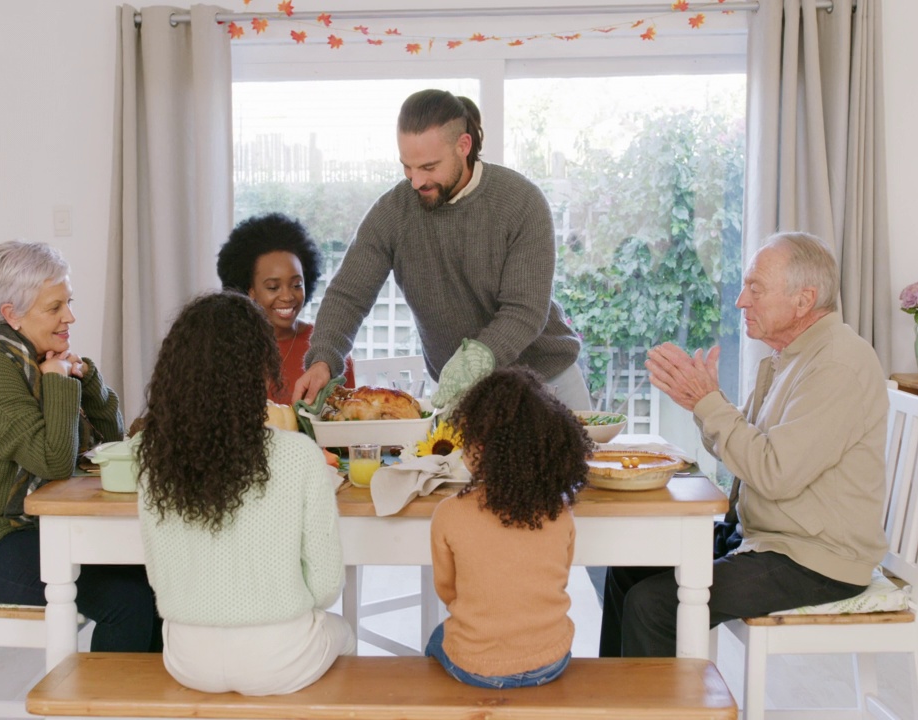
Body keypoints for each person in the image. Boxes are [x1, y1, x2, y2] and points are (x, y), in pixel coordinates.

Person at [599, 232, 888, 657]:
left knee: (654, 604)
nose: (741, 301)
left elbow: (774, 474)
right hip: (762, 537)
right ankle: (615, 707)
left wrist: (708, 402)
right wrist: (701, 403)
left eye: (756, 288)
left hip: (814, 560)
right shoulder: (790, 356)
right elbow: (749, 453)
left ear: (803, 300)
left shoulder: (836, 364)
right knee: (629, 567)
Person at [0, 240, 161, 652]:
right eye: (55, 308)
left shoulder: (29, 361)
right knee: (128, 600)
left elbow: (112, 439)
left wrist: (85, 378)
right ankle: (105, 710)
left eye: (68, 302)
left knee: (152, 578)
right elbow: (54, 461)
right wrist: (58, 382)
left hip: (19, 530)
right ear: (11, 315)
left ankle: (149, 706)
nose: (70, 317)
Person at [292, 88, 590, 411]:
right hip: (464, 398)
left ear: (463, 146)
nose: (416, 181)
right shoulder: (393, 212)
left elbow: (525, 310)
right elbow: (349, 295)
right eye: (407, 166)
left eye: (429, 167)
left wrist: (475, 358)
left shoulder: (521, 202)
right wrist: (323, 358)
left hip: (547, 382)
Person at [135, 291, 354, 695]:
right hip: (281, 660)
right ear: (257, 368)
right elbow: (325, 588)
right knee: (345, 633)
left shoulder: (157, 464)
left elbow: (158, 580)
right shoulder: (298, 456)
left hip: (187, 659)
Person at [426, 366, 591, 688]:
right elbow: (557, 579)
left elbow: (448, 591)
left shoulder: (449, 514)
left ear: (480, 448)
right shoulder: (560, 511)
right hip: (550, 661)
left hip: (476, 668)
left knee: (436, 637)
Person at [216, 213, 356, 405]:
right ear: (251, 291)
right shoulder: (224, 347)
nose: (288, 296)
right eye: (273, 287)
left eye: (297, 285)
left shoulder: (329, 349)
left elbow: (347, 423)